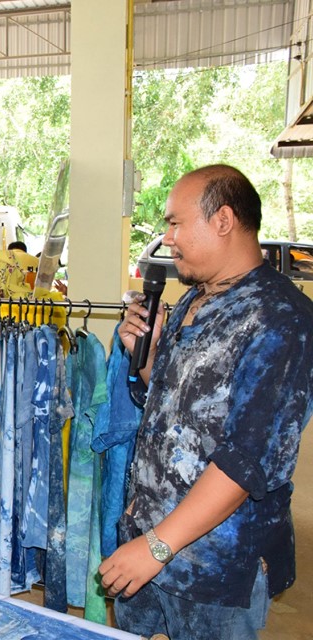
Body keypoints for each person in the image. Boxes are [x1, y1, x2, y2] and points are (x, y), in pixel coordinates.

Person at [99, 165, 313, 639]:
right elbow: (173, 405)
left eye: (176, 223)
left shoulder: (280, 319)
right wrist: (146, 356)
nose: (167, 238)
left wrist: (156, 547)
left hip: (214, 569)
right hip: (147, 540)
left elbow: (246, 461)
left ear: (223, 220)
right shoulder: (195, 298)